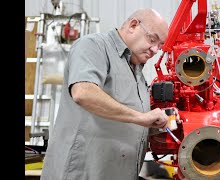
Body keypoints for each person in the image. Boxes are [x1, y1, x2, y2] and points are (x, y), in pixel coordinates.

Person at [40, 8, 175, 180]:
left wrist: (153, 129)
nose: (155, 50)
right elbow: (83, 93)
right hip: (83, 174)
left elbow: (122, 122)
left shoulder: (137, 73)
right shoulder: (93, 46)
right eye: (152, 40)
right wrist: (141, 118)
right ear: (133, 25)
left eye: (160, 46)